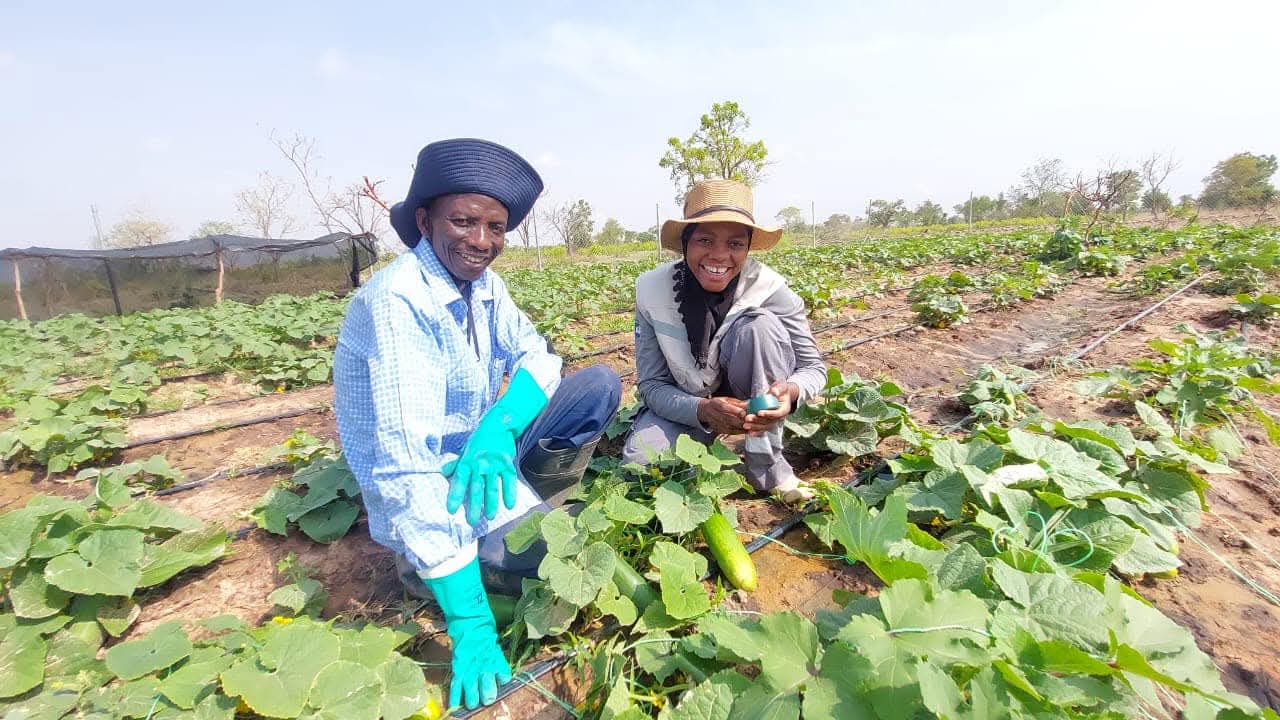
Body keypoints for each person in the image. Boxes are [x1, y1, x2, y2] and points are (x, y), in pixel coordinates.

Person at [332, 138, 620, 711]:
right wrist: (467, 622)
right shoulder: (398, 302)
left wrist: (500, 427)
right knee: (546, 562)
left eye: (495, 226)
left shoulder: (485, 287)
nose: (482, 241)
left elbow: (539, 356)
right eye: (464, 222)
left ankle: (523, 495)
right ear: (424, 221)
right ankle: (427, 568)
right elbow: (406, 468)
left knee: (599, 386)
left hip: (480, 448)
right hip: (433, 476)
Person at [622, 179, 826, 502]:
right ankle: (697, 457)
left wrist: (792, 391)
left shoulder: (769, 288)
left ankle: (768, 465)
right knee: (641, 465)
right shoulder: (652, 291)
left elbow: (814, 368)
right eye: (704, 239)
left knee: (758, 328)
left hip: (752, 393)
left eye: (734, 244)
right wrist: (703, 409)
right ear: (685, 243)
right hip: (690, 399)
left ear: (747, 248)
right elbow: (652, 385)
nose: (719, 255)